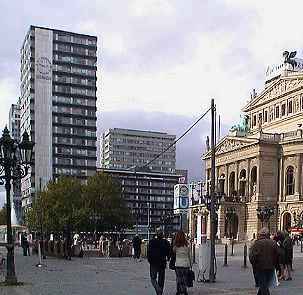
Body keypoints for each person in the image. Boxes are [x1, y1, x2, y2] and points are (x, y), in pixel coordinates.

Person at [249, 227, 278, 295]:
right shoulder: (273, 243)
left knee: (263, 286)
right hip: (270, 267)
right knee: (264, 284)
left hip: (260, 267)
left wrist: (254, 265)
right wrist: (275, 264)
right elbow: (277, 255)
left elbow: (252, 256)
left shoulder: (257, 243)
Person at [147, 229, 171, 295]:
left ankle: (158, 290)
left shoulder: (151, 242)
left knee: (153, 278)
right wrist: (168, 258)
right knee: (161, 279)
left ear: (156, 234)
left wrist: (149, 260)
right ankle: (160, 291)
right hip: (162, 262)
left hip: (153, 262)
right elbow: (169, 251)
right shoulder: (165, 242)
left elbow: (148, 252)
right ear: (162, 234)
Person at [173, 230, 192, 295]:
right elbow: (190, 256)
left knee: (179, 278)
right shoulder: (187, 246)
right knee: (184, 278)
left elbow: (173, 252)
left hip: (178, 264)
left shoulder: (176, 246)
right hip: (186, 264)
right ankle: (184, 291)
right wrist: (191, 264)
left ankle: (178, 291)